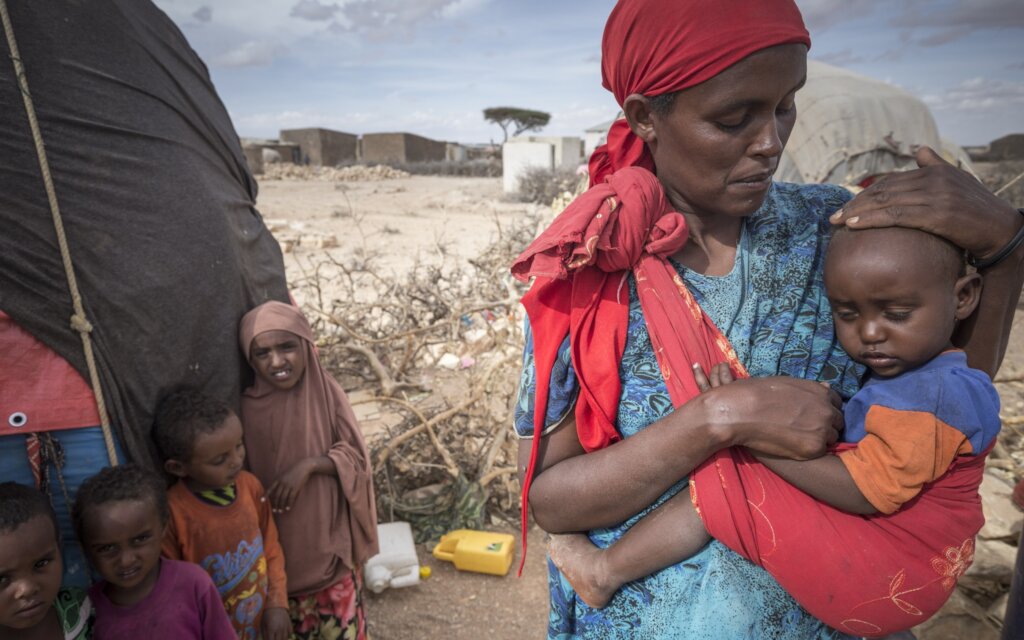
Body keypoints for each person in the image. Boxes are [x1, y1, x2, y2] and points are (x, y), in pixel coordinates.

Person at [513, 1, 1024, 638]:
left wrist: (1006, 251)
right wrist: (719, 418)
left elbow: (945, 397)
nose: (771, 143)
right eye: (734, 119)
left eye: (786, 105)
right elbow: (552, 502)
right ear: (645, 116)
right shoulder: (591, 264)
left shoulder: (840, 233)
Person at [547, 225, 1001, 634]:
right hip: (901, 576)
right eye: (847, 314)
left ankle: (602, 573)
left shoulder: (937, 394)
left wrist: (748, 434)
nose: (869, 333)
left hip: (888, 572)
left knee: (730, 479)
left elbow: (864, 491)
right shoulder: (924, 377)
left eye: (896, 314)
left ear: (964, 297)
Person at [238, 301, 378, 640]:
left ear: (306, 345)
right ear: (249, 359)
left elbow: (358, 459)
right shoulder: (245, 409)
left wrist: (311, 465)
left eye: (287, 347)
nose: (276, 361)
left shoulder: (326, 393)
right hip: (278, 555)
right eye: (262, 353)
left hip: (330, 552)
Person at [152, 390, 290, 640]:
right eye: (219, 460)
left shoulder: (250, 486)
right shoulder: (172, 514)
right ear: (178, 467)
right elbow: (173, 589)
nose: (236, 461)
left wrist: (277, 603)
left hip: (264, 625)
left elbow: (271, 546)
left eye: (239, 446)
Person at [72, 465, 235, 640]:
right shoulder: (86, 613)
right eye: (108, 548)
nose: (126, 560)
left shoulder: (193, 584)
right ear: (86, 548)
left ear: (164, 526)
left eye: (140, 539)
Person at [0, 482, 92, 640]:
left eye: (40, 564)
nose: (27, 589)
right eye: (2, 578)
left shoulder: (82, 607)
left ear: (59, 548)